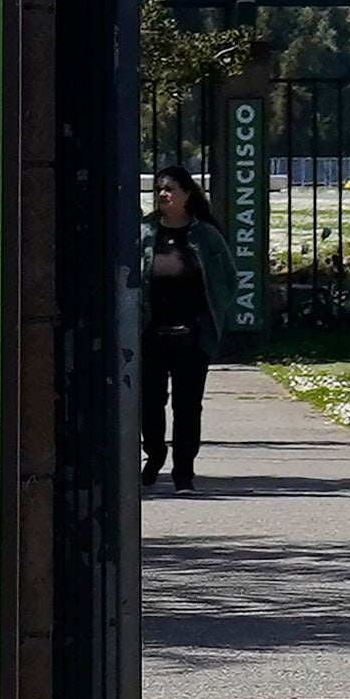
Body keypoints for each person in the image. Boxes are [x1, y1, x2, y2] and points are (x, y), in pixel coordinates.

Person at [138, 171, 221, 493]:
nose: (163, 194)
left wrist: (210, 317)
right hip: (151, 334)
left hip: (192, 336)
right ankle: (155, 454)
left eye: (170, 189)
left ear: (188, 194)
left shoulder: (205, 235)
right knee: (150, 403)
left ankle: (183, 471)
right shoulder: (145, 231)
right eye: (159, 189)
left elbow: (226, 278)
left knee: (188, 406)